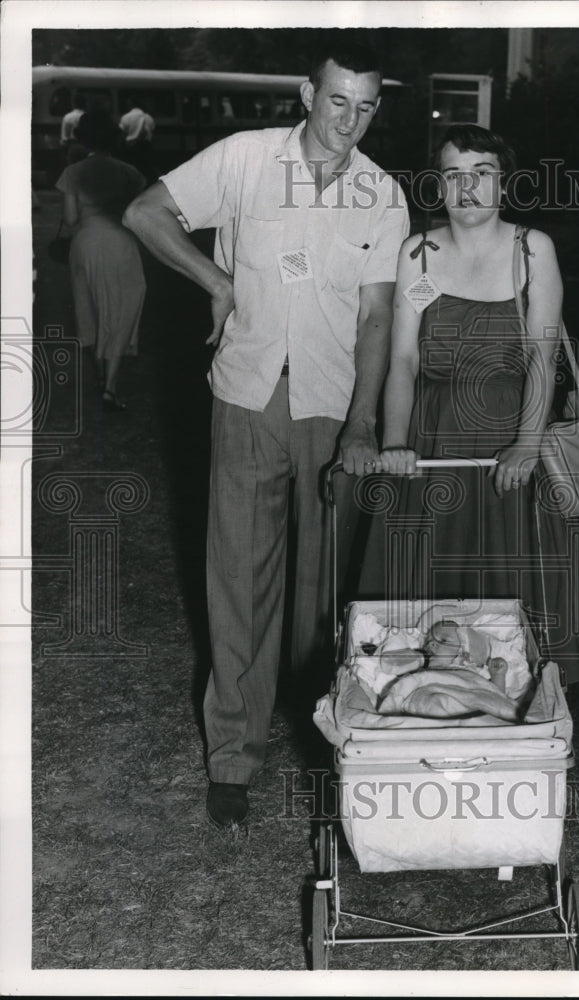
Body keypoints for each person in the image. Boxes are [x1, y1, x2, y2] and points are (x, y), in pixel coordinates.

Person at [123, 42, 409, 829]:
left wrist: (362, 423)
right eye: (336, 101)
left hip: (331, 406)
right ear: (306, 93)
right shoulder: (245, 160)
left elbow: (378, 316)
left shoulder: (381, 196)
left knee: (325, 593)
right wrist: (214, 281)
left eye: (364, 106)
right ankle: (234, 757)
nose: (347, 121)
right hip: (248, 397)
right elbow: (146, 213)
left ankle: (328, 746)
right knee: (239, 580)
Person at [375, 124, 579, 683]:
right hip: (433, 439)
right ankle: (423, 690)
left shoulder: (531, 248)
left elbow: (544, 359)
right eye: (453, 175)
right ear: (439, 185)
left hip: (509, 439)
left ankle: (515, 695)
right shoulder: (417, 253)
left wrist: (526, 444)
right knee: (423, 588)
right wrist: (395, 444)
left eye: (482, 174)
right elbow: (402, 361)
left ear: (503, 183)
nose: (467, 188)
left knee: (508, 585)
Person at [55, 109, 147, 411]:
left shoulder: (73, 172)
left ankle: (98, 375)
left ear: (83, 138)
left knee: (90, 307)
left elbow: (69, 220)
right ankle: (110, 385)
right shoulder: (130, 172)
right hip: (120, 243)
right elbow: (139, 214)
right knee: (121, 308)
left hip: (85, 243)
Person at [119, 99, 156, 182]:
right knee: (145, 169)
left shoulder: (126, 117)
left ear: (131, 105)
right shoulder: (148, 117)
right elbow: (152, 135)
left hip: (130, 147)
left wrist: (121, 147)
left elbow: (122, 134)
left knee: (131, 169)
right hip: (146, 147)